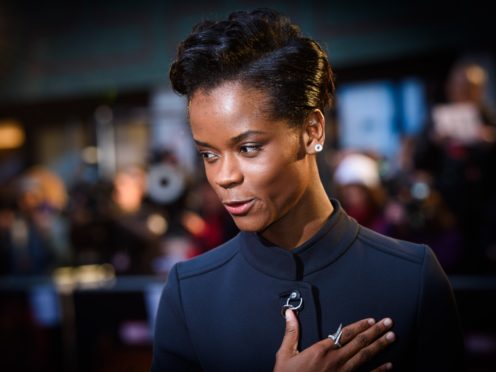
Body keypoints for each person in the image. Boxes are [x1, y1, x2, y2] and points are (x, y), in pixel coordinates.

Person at [152, 8, 465, 371]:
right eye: (208, 154)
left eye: (248, 148)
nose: (224, 176)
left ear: (312, 130)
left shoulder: (413, 277)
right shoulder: (190, 293)